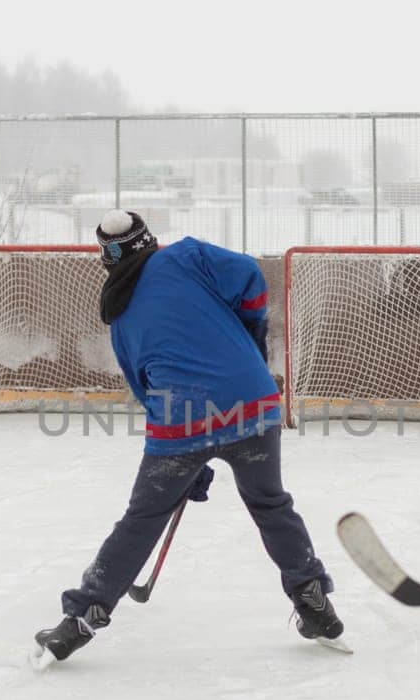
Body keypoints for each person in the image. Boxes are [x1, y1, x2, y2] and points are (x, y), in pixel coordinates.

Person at [32, 209, 342, 667]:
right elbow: (251, 277)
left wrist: (184, 461)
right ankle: (313, 601)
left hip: (180, 422)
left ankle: (79, 620)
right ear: (148, 240)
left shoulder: (119, 318)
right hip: (254, 404)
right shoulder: (187, 257)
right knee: (271, 503)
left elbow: (145, 389)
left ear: (107, 259)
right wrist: (251, 333)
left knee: (142, 520)